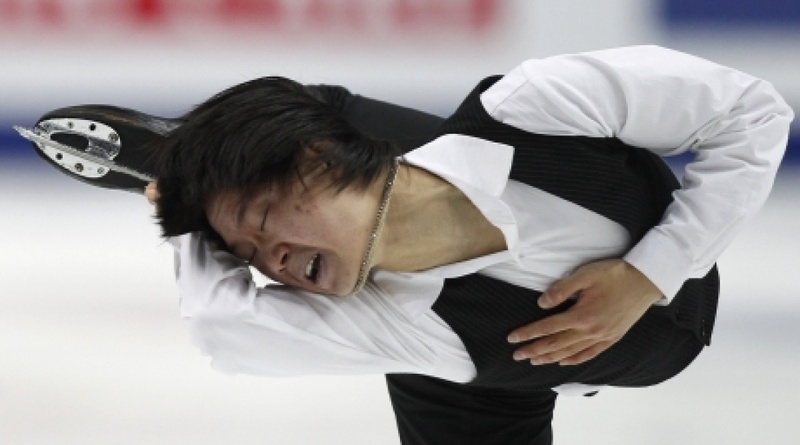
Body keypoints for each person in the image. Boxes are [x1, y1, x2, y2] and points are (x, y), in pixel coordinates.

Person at [29, 45, 792, 444]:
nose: (273, 263)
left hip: (616, 223)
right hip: (481, 388)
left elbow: (751, 112)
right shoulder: (400, 328)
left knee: (368, 142)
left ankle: (217, 151)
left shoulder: (535, 105)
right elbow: (222, 330)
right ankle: (198, 161)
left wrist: (650, 273)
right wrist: (196, 219)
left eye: (264, 222)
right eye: (250, 259)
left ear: (314, 164)